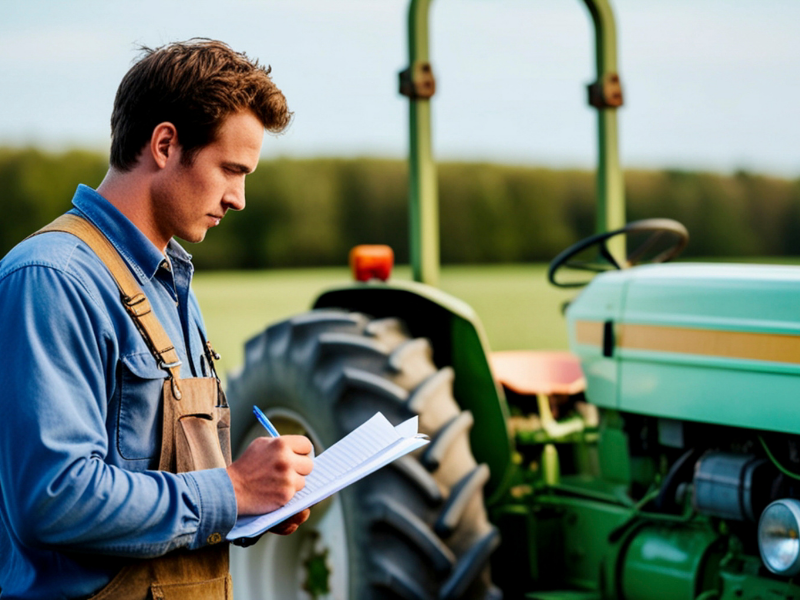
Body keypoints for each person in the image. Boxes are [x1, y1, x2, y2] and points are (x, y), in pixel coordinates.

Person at [0, 39, 314, 599]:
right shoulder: (51, 279)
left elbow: (179, 490)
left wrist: (257, 505)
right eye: (231, 170)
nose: (239, 198)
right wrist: (234, 490)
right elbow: (53, 498)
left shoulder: (172, 285)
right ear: (166, 144)